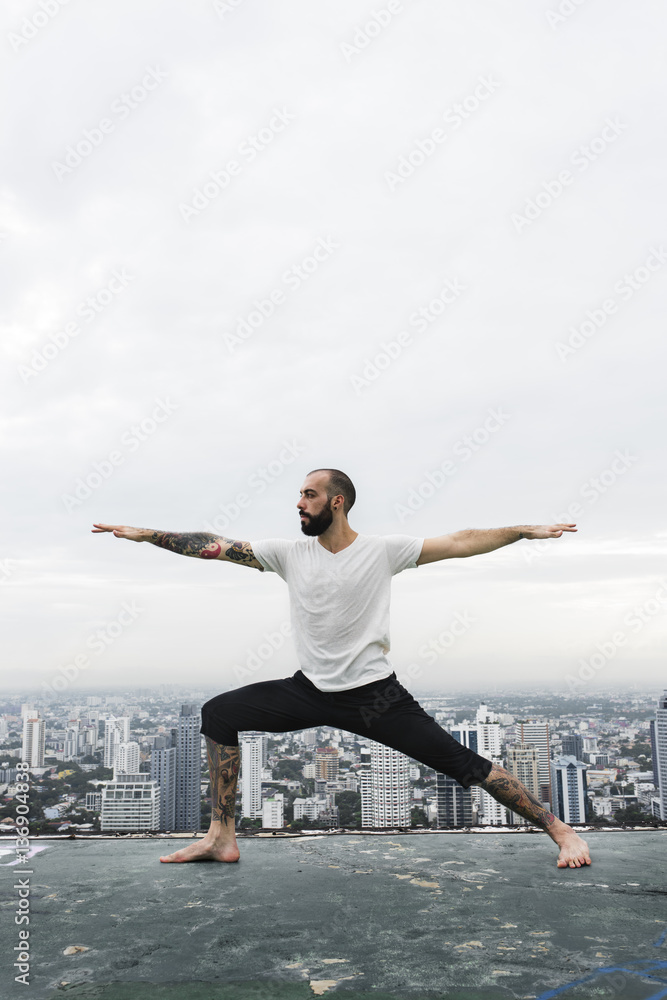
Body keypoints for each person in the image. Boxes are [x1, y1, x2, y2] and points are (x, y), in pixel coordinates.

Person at [92, 467, 591, 869]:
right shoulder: (288, 554)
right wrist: (151, 535)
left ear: (337, 502)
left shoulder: (383, 550)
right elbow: (216, 544)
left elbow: (460, 541)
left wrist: (522, 531)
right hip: (307, 690)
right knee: (218, 713)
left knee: (464, 764)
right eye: (298, 495)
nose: (298, 504)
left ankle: (561, 831)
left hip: (376, 698)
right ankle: (221, 838)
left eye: (308, 495)